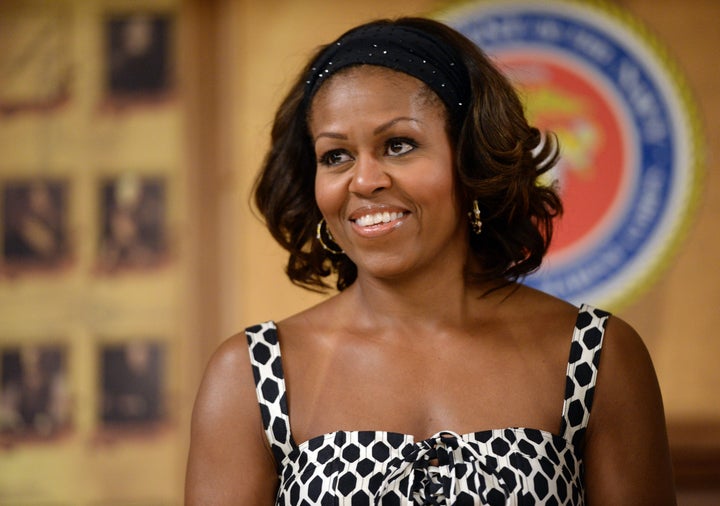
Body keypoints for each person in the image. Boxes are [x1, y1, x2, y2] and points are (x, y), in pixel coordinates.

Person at [185, 17, 676, 505]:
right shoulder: (251, 375)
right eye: (336, 156)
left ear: (471, 160)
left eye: (398, 145)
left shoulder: (596, 356)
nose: (363, 180)